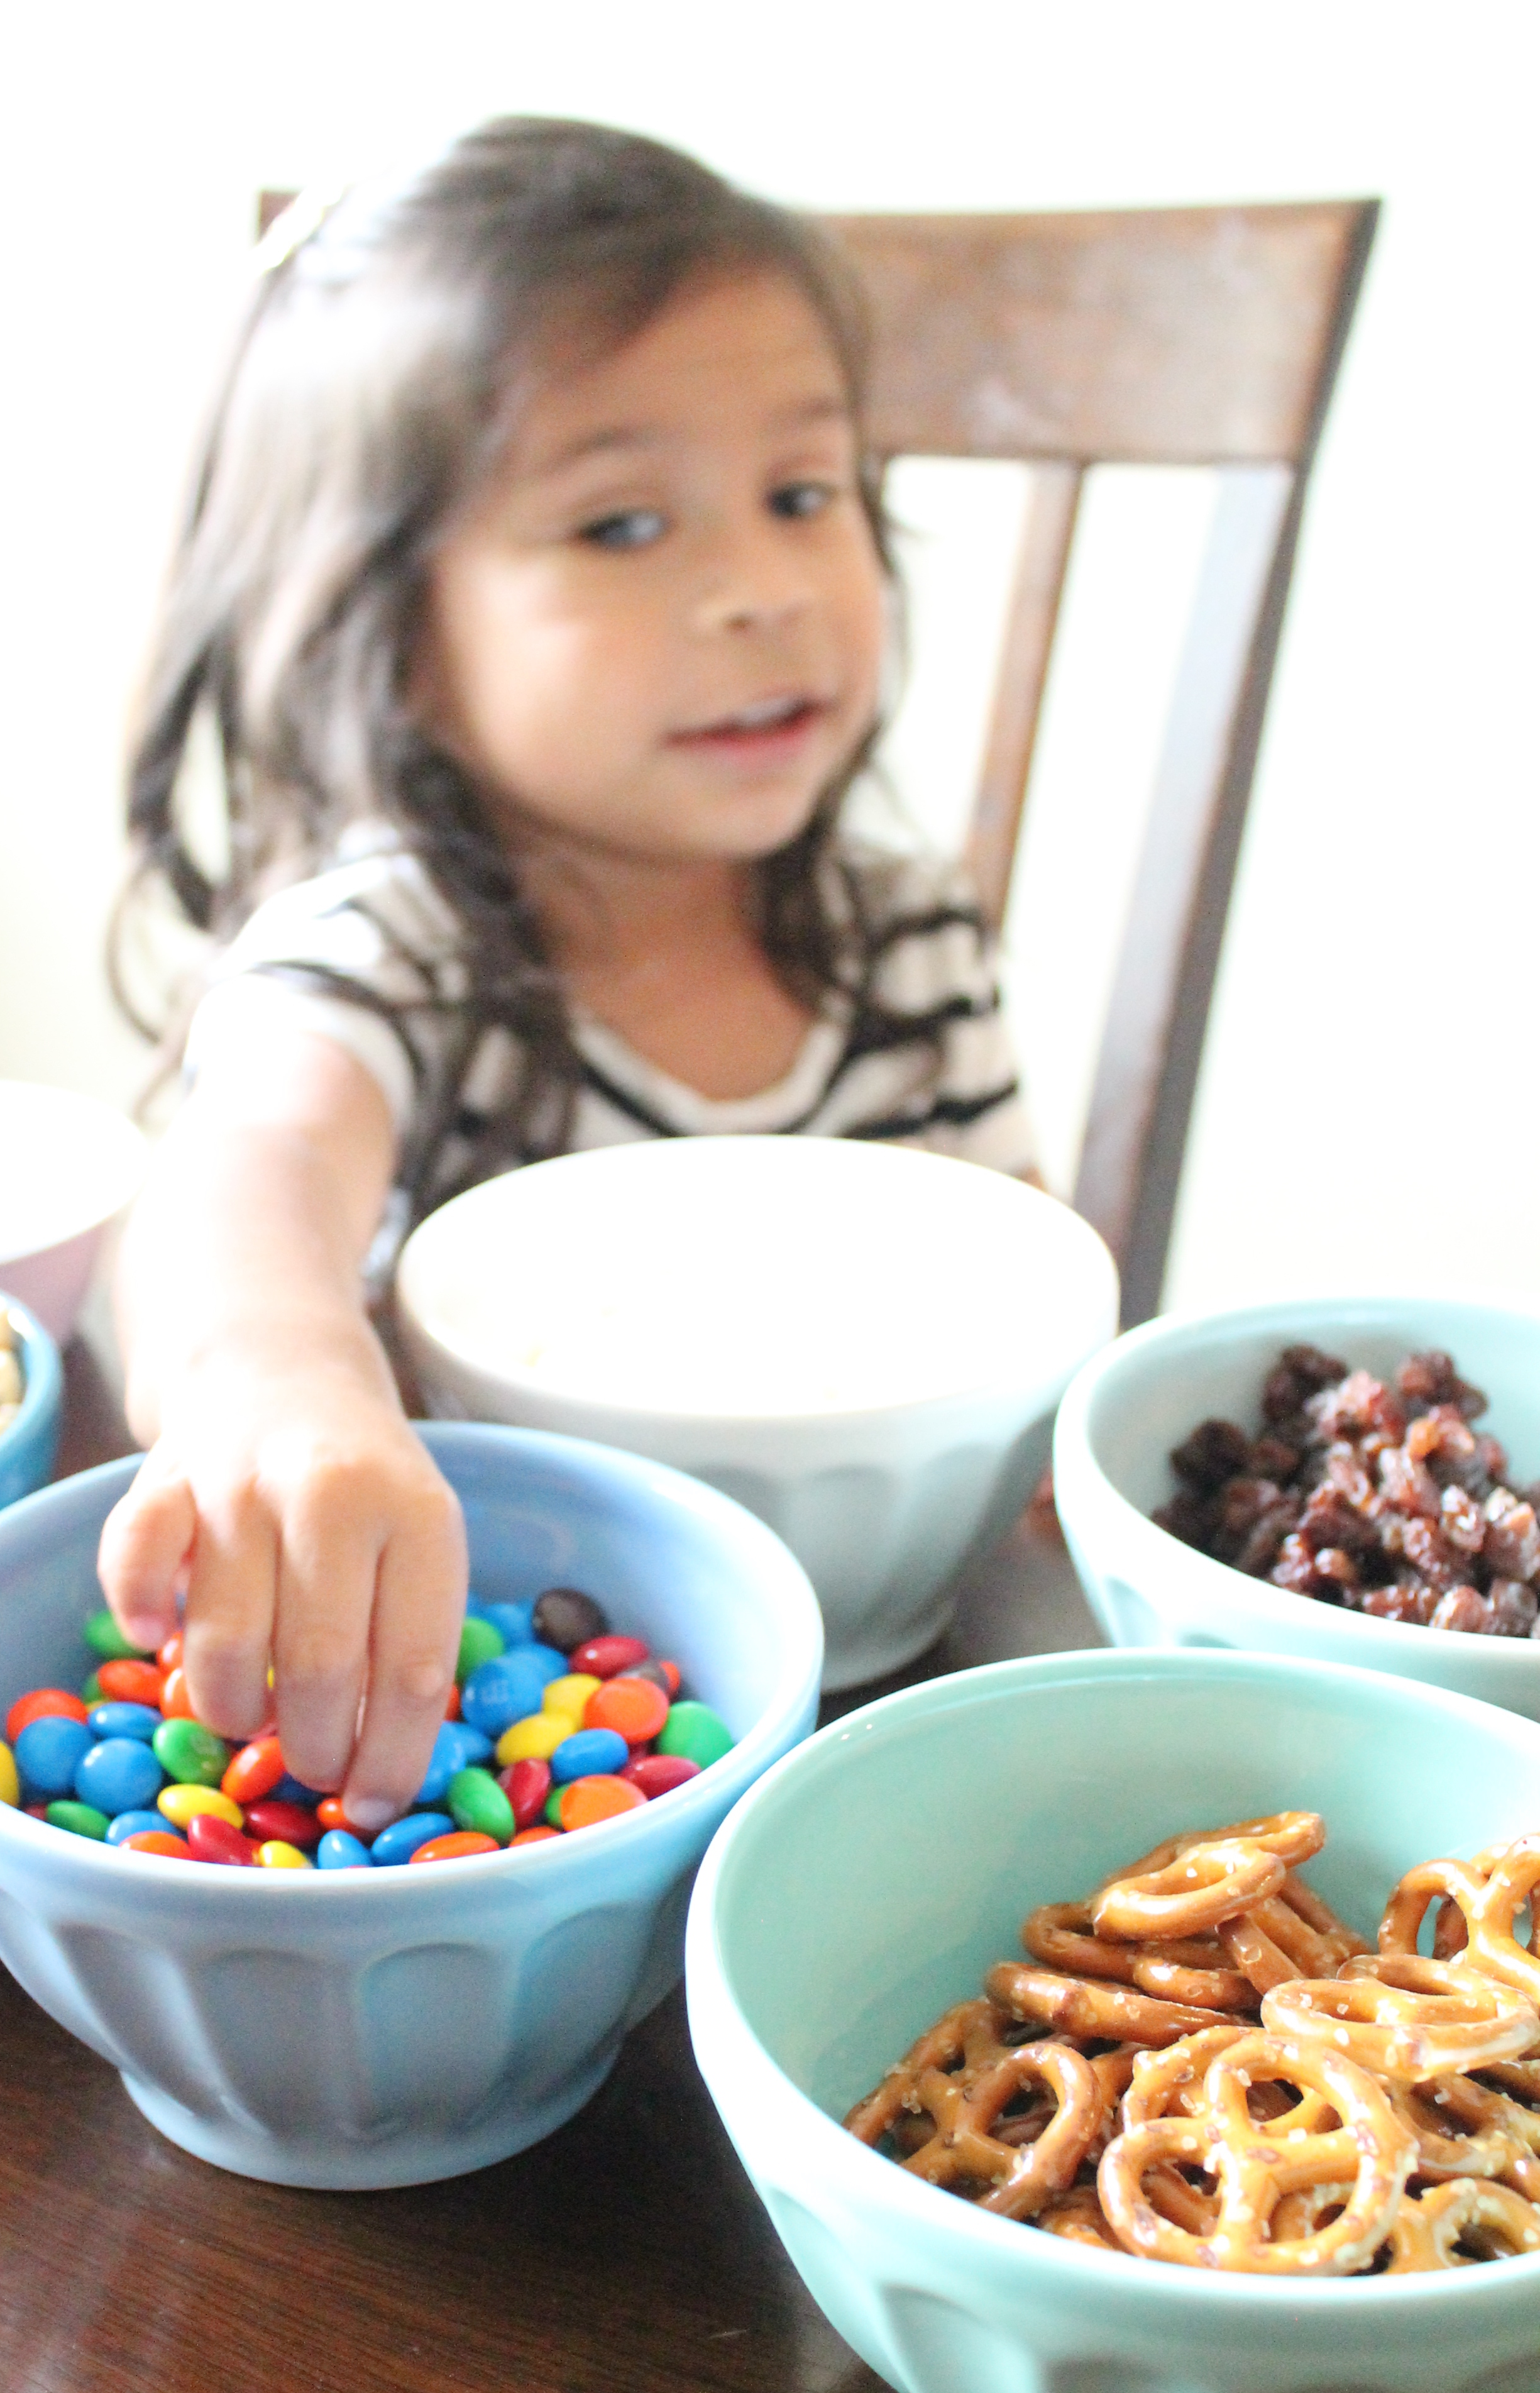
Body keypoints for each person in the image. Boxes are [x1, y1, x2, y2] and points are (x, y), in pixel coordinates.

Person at [101, 116, 1035, 1835]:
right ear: (398, 638)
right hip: (494, 1741)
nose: (761, 588)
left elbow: (1019, 1293)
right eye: (619, 525)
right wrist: (278, 1377)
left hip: (886, 1729)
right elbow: (244, 1177)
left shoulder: (905, 937)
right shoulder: (394, 948)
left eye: (804, 493)